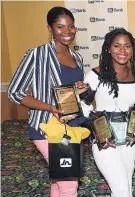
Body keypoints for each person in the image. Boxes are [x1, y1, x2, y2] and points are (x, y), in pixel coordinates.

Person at [7, 6, 87, 197]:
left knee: (58, 183)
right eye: (60, 27)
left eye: (71, 26)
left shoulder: (77, 57)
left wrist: (77, 90)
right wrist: (50, 107)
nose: (67, 32)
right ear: (50, 28)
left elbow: (63, 92)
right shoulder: (37, 54)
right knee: (69, 184)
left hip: (72, 126)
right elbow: (14, 92)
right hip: (47, 126)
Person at [81, 28, 135, 197]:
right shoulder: (95, 75)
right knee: (122, 189)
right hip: (105, 140)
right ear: (108, 48)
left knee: (127, 188)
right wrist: (99, 134)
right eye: (117, 46)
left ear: (133, 49)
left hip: (130, 142)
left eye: (127, 46)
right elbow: (83, 105)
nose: (122, 51)